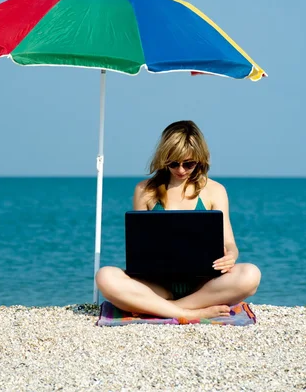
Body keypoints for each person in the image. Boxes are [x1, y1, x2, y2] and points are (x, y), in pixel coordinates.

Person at [96, 120, 261, 321]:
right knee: (105, 276)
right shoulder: (144, 191)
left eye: (188, 164)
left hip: (203, 285)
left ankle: (164, 308)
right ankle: (186, 313)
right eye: (173, 163)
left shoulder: (215, 191)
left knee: (251, 274)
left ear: (200, 159)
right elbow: (138, 248)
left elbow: (230, 244)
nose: (181, 170)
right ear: (163, 159)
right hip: (156, 285)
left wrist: (231, 257)